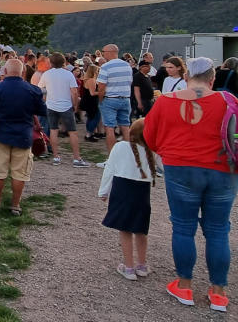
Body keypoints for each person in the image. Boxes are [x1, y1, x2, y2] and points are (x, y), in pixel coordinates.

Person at [144, 57, 238, 312]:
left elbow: (149, 137)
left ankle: (184, 285)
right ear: (212, 78)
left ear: (185, 77)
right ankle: (218, 293)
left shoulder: (164, 101)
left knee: (183, 227)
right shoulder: (229, 101)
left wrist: (169, 150)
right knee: (218, 230)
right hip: (223, 170)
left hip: (181, 168)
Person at [0, 59, 46, 216]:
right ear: (23, 72)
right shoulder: (33, 90)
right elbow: (42, 111)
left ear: (5, 71)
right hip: (23, 135)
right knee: (20, 172)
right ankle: (15, 206)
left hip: (1, 134)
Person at [98, 118, 157, 281]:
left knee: (125, 229)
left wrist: (103, 192)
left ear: (131, 132)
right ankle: (142, 265)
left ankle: (129, 267)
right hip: (142, 192)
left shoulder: (120, 147)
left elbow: (109, 169)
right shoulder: (152, 151)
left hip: (122, 189)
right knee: (141, 229)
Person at [38, 53, 89, 167]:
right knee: (72, 132)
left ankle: (56, 157)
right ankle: (76, 158)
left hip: (51, 105)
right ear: (63, 62)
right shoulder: (68, 75)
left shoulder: (46, 74)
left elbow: (41, 89)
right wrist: (75, 105)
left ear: (51, 63)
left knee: (53, 131)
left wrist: (45, 100)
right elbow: (74, 91)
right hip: (66, 106)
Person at [97, 44, 134, 154]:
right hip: (125, 98)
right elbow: (130, 82)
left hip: (110, 98)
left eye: (103, 51)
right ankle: (128, 155)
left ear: (109, 52)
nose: (102, 53)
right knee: (125, 126)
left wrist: (100, 100)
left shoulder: (106, 67)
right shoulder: (127, 66)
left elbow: (101, 87)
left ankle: (112, 157)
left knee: (109, 128)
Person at [81, 64, 102, 142]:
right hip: (91, 101)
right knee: (96, 117)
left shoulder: (88, 79)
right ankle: (89, 134)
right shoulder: (91, 80)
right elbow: (92, 93)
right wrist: (102, 92)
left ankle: (89, 133)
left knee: (91, 117)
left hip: (89, 101)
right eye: (97, 70)